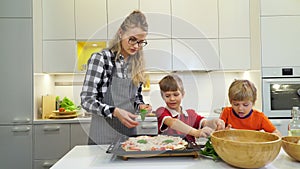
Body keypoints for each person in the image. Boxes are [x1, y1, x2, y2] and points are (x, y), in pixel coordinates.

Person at [80, 10, 152, 145]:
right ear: (120, 33)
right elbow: (86, 101)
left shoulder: (136, 64)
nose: (136, 46)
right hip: (102, 138)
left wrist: (141, 106)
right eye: (132, 39)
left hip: (129, 138)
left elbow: (135, 98)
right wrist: (115, 112)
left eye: (141, 42)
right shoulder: (101, 59)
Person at [156, 74, 225, 142]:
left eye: (176, 94)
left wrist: (215, 122)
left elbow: (205, 123)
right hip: (171, 152)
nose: (172, 98)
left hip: (190, 152)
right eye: (167, 96)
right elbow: (173, 122)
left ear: (183, 94)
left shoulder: (190, 114)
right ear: (162, 97)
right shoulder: (161, 111)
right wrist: (196, 132)